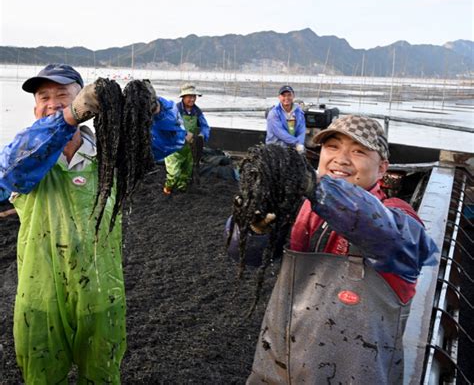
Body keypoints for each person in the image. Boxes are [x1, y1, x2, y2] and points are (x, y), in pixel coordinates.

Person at [0, 64, 186, 384]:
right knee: (41, 375)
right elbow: (11, 172)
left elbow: (170, 141)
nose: (53, 102)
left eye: (63, 94)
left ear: (86, 101)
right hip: (41, 298)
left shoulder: (110, 156)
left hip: (102, 294)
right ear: (34, 108)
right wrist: (67, 117)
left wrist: (155, 108)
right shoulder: (25, 156)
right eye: (44, 97)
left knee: (102, 374)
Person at [230, 115, 438, 384]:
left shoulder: (398, 216)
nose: (341, 159)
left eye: (358, 151)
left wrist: (315, 186)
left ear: (383, 167)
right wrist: (254, 226)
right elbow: (245, 256)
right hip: (275, 366)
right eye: (332, 147)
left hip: (353, 373)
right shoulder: (299, 209)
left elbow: (388, 236)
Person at [163, 83, 210, 194]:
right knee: (173, 173)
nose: (192, 99)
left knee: (186, 174)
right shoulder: (175, 110)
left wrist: (203, 135)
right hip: (173, 147)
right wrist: (184, 134)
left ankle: (181, 192)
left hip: (189, 148)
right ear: (183, 97)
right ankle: (167, 189)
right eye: (189, 97)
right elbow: (169, 126)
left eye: (194, 97)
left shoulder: (197, 112)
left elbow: (205, 126)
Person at [265, 85, 306, 153]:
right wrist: (296, 143)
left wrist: (300, 143)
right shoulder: (273, 113)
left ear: (293, 96)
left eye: (289, 95)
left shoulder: (299, 112)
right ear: (279, 97)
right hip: (276, 148)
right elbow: (280, 133)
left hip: (293, 147)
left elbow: (301, 130)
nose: (286, 98)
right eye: (284, 96)